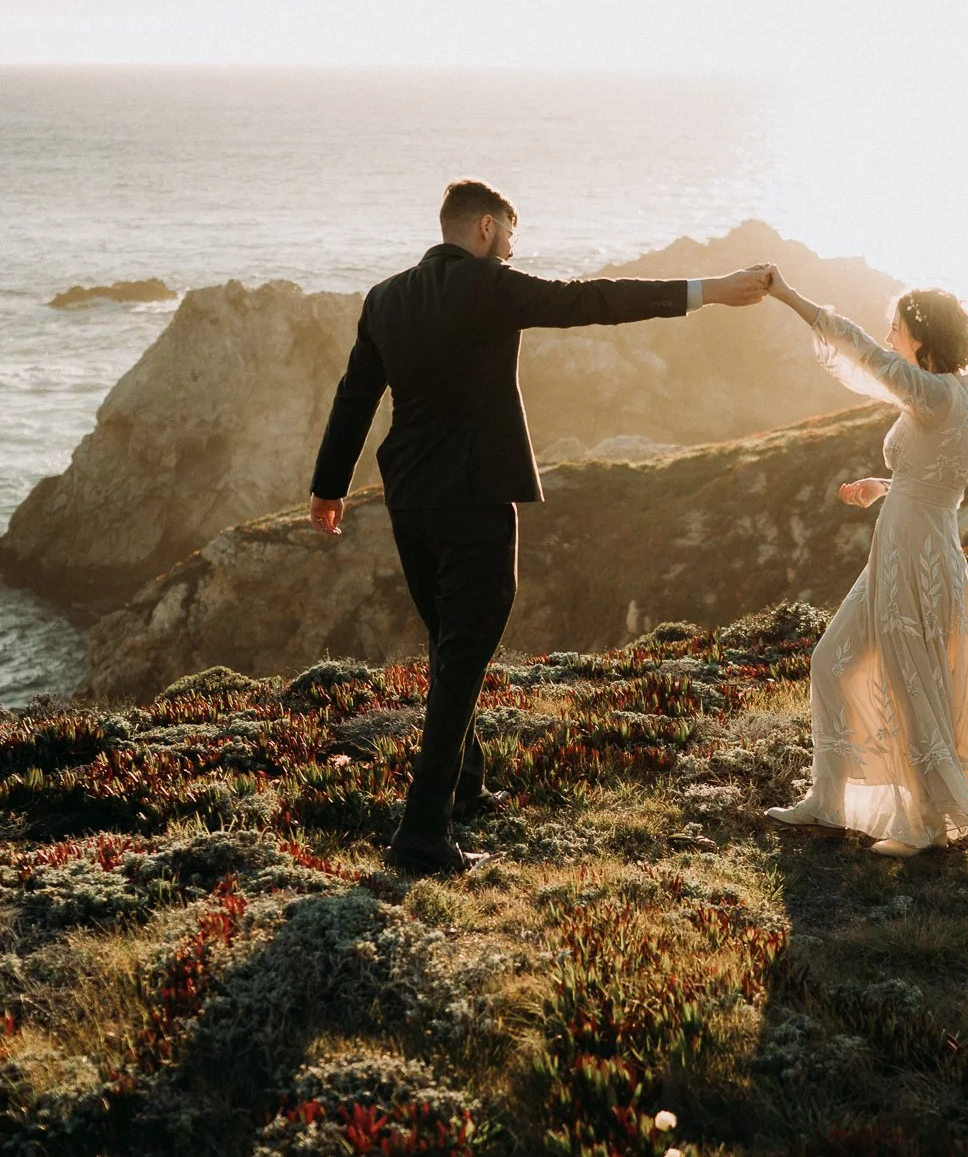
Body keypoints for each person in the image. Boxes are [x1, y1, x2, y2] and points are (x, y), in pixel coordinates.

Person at [309, 178, 768, 875]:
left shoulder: (385, 297)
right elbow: (594, 301)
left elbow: (355, 396)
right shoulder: (491, 285)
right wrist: (711, 289)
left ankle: (466, 788)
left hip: (409, 496)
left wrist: (328, 486)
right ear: (487, 228)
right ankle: (421, 834)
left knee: (450, 642)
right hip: (474, 495)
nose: (511, 250)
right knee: (464, 653)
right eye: (511, 237)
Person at [758, 267, 968, 857]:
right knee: (831, 661)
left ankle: (925, 826)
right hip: (909, 550)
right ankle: (828, 800)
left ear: (920, 334)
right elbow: (937, 481)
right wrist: (883, 486)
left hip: (913, 558)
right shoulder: (963, 398)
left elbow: (861, 351)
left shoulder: (936, 392)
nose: (889, 338)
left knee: (911, 682)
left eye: (896, 328)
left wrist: (788, 295)